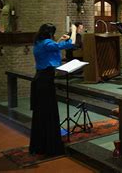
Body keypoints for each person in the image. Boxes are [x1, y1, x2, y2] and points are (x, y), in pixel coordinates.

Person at [29, 23, 76, 156]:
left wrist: (60, 40)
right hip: (45, 82)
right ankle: (49, 146)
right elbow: (71, 43)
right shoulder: (47, 43)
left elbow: (52, 48)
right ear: (49, 34)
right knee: (48, 113)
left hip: (40, 80)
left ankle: (40, 144)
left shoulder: (39, 42)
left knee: (41, 114)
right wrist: (73, 30)